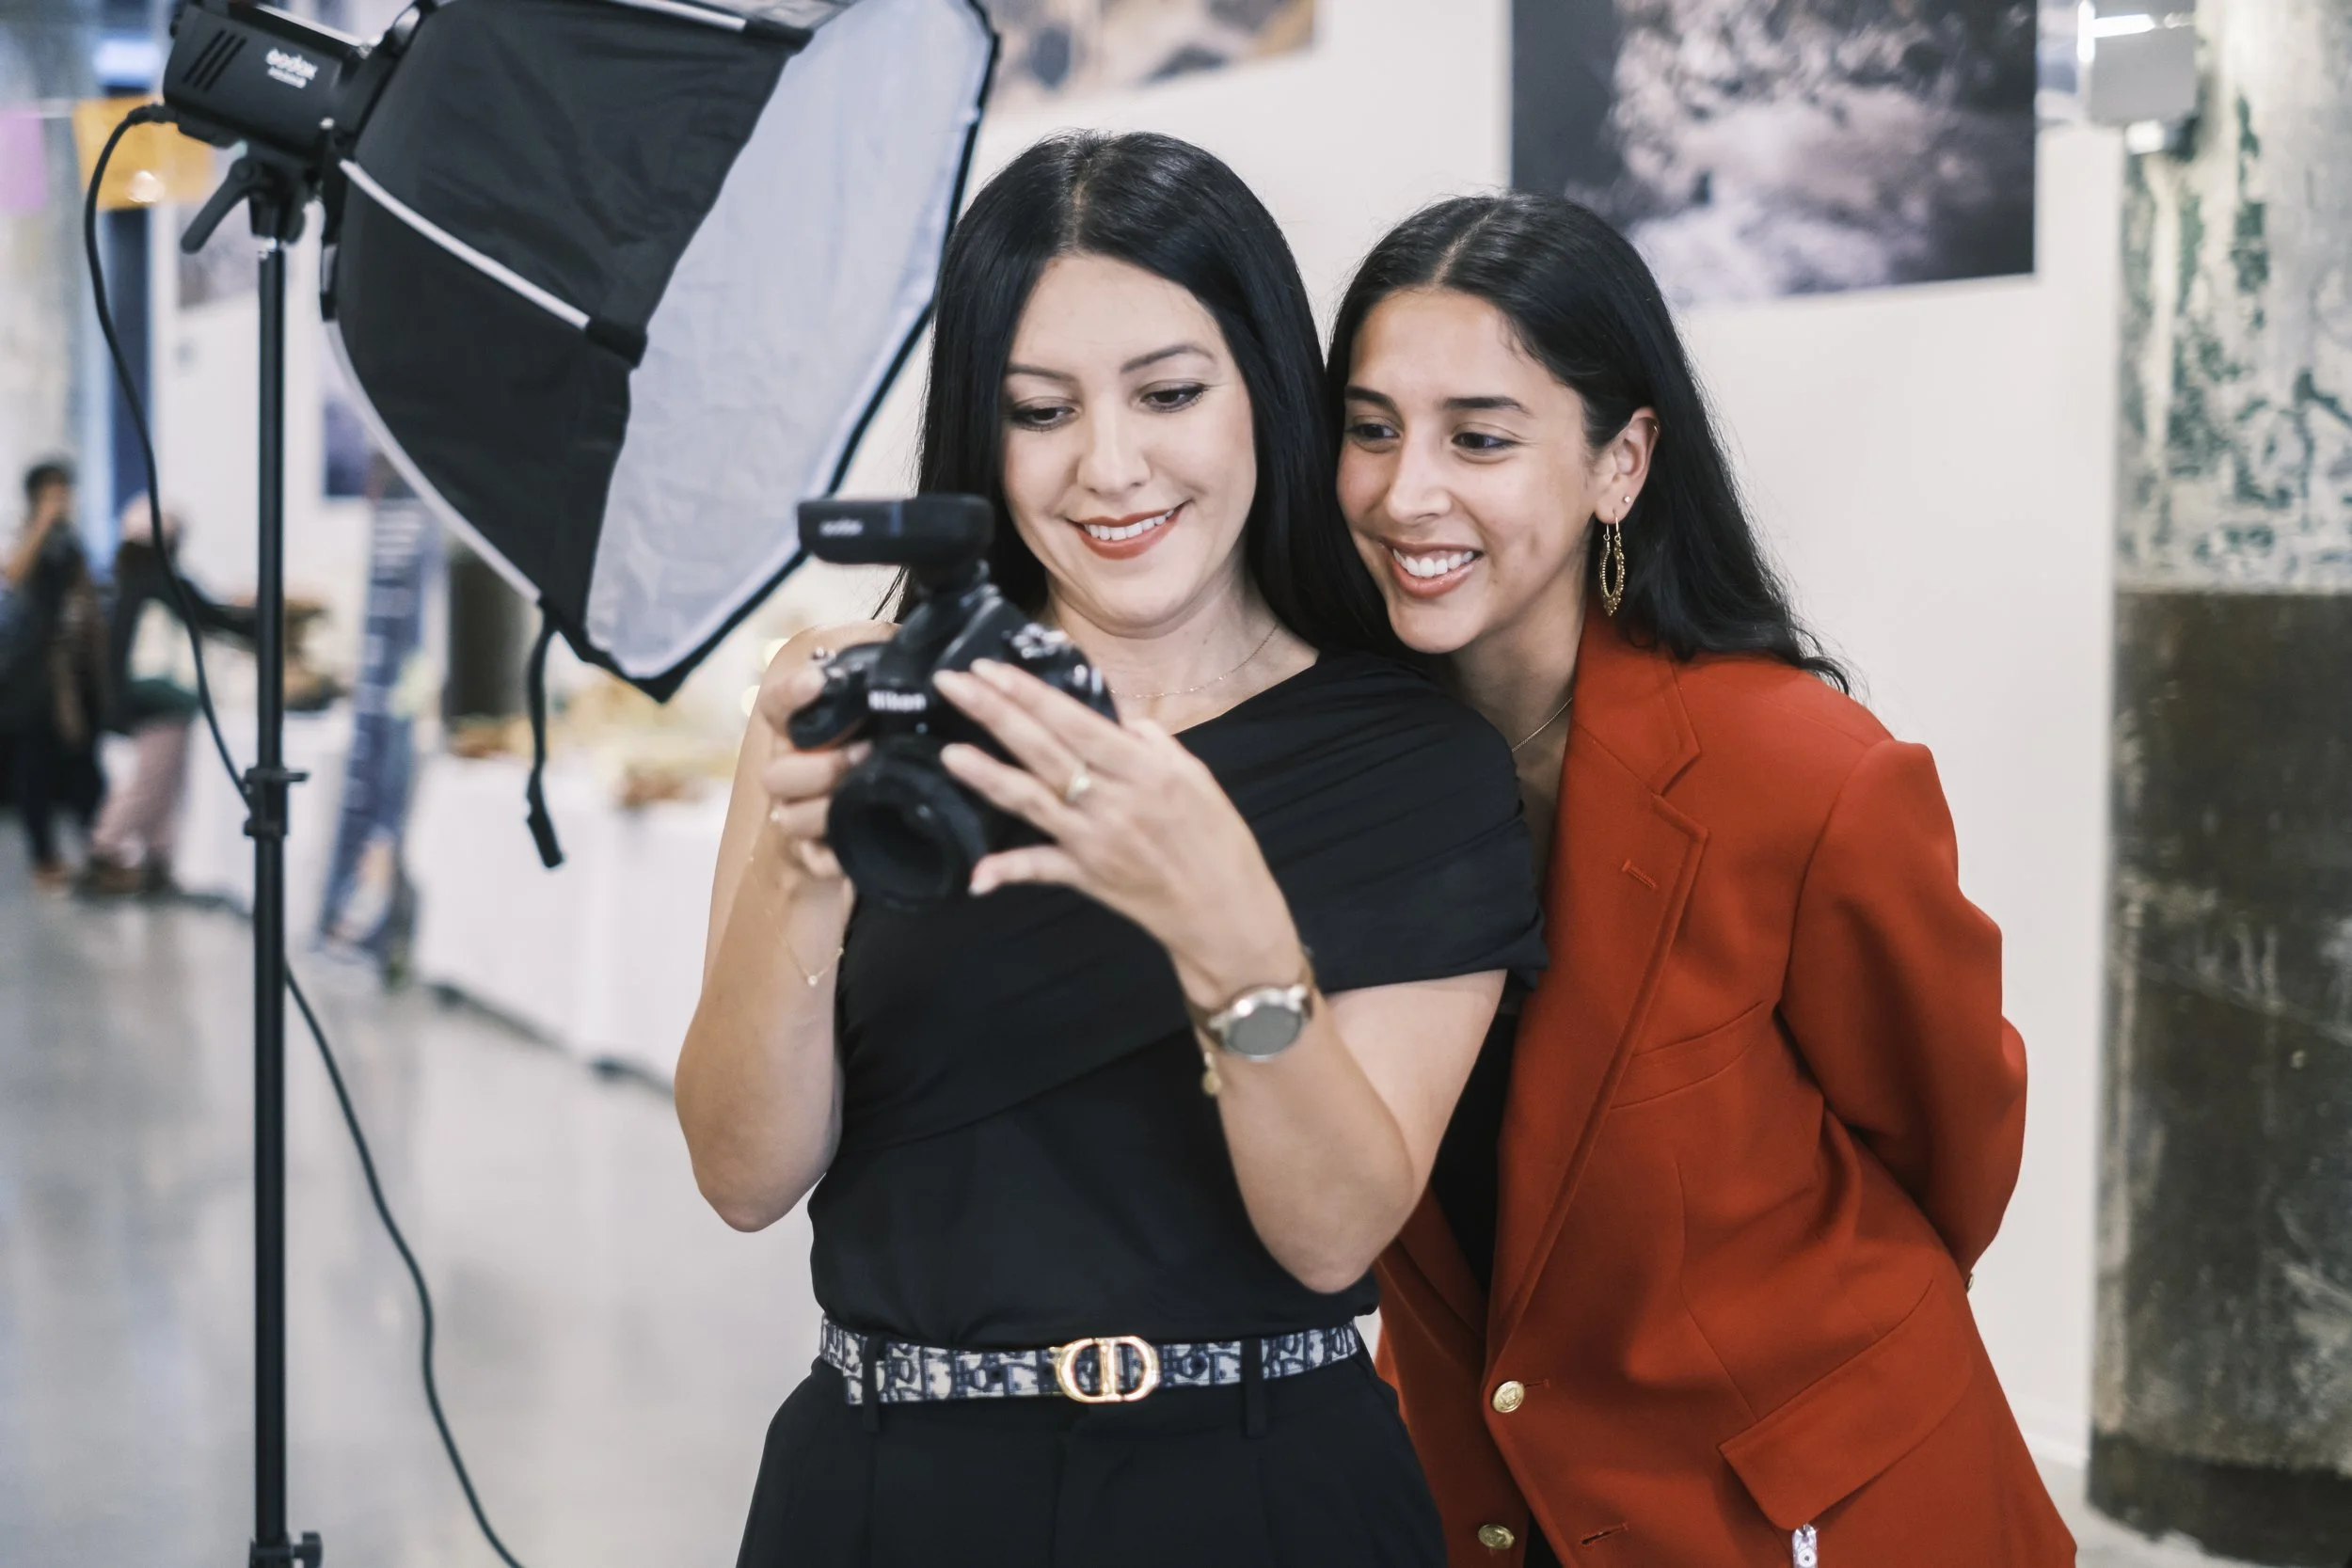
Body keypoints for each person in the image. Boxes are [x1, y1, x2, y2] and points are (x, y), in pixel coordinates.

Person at [675, 133, 1545, 1568]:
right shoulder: (864, 700)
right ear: (979, 429)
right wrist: (801, 863)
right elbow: (740, 1171)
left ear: (1263, 387)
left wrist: (1222, 919)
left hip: (1265, 1484)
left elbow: (1335, 1235)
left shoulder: (1412, 759)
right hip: (890, 1479)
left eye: (1170, 393)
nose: (1111, 465)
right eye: (1040, 408)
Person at [1329, 193, 2074, 1566]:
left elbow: (1949, 1150)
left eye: (1478, 435)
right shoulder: (1337, 783)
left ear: (1623, 461)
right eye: (1370, 428)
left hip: (1801, 1506)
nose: (1402, 489)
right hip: (1485, 1504)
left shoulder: (1799, 768)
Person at [81, 496, 255, 895]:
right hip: (159, 699)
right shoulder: (161, 581)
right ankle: (105, 849)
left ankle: (157, 860)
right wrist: (259, 621)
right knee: (151, 779)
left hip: (145, 700)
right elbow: (210, 617)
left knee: (163, 780)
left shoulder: (132, 580)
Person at [2, 460, 108, 891]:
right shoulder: (22, 535)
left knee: (83, 762)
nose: (61, 501)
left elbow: (86, 595)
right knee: (35, 766)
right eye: (52, 493)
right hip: (30, 674)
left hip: (71, 671)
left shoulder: (72, 541)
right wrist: (41, 524)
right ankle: (42, 855)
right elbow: (12, 575)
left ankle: (97, 846)